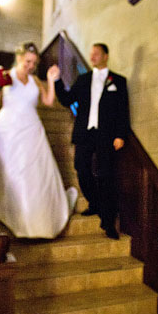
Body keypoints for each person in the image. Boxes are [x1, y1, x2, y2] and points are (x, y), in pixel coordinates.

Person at [0, 42, 78, 239]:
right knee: (14, 174)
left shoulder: (35, 79)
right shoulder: (5, 76)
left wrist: (51, 80)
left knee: (35, 175)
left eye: (34, 63)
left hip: (32, 128)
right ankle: (18, 221)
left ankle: (39, 224)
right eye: (28, 61)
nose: (31, 66)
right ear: (19, 58)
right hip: (8, 130)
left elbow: (48, 102)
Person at [50, 43, 130, 239]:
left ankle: (108, 221)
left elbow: (123, 110)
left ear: (105, 56)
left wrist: (120, 134)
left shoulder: (118, 81)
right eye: (91, 53)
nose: (92, 56)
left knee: (105, 176)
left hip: (107, 135)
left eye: (96, 53)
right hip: (85, 133)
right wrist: (57, 80)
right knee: (81, 168)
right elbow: (67, 100)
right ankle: (94, 202)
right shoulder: (83, 79)